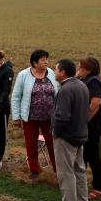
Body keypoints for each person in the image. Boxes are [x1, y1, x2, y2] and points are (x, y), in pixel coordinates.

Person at [47, 59, 91, 201]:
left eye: (56, 69)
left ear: (63, 72)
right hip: (80, 134)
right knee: (79, 170)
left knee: (65, 172)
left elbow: (62, 117)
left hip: (66, 137)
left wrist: (56, 132)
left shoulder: (66, 90)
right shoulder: (82, 85)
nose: (54, 71)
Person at [11, 49, 60, 180]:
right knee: (31, 144)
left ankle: (58, 169)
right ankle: (34, 170)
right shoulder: (23, 75)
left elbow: (59, 93)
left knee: (53, 144)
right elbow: (16, 96)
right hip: (30, 117)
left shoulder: (52, 73)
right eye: (43, 59)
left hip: (50, 118)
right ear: (34, 62)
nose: (46, 62)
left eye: (47, 59)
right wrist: (16, 117)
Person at [77, 57, 101, 200]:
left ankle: (98, 188)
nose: (78, 68)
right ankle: (81, 186)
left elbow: (95, 103)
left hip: (91, 127)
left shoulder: (93, 82)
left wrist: (84, 119)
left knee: (92, 156)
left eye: (80, 66)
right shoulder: (85, 79)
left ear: (88, 69)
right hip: (87, 126)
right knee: (84, 155)